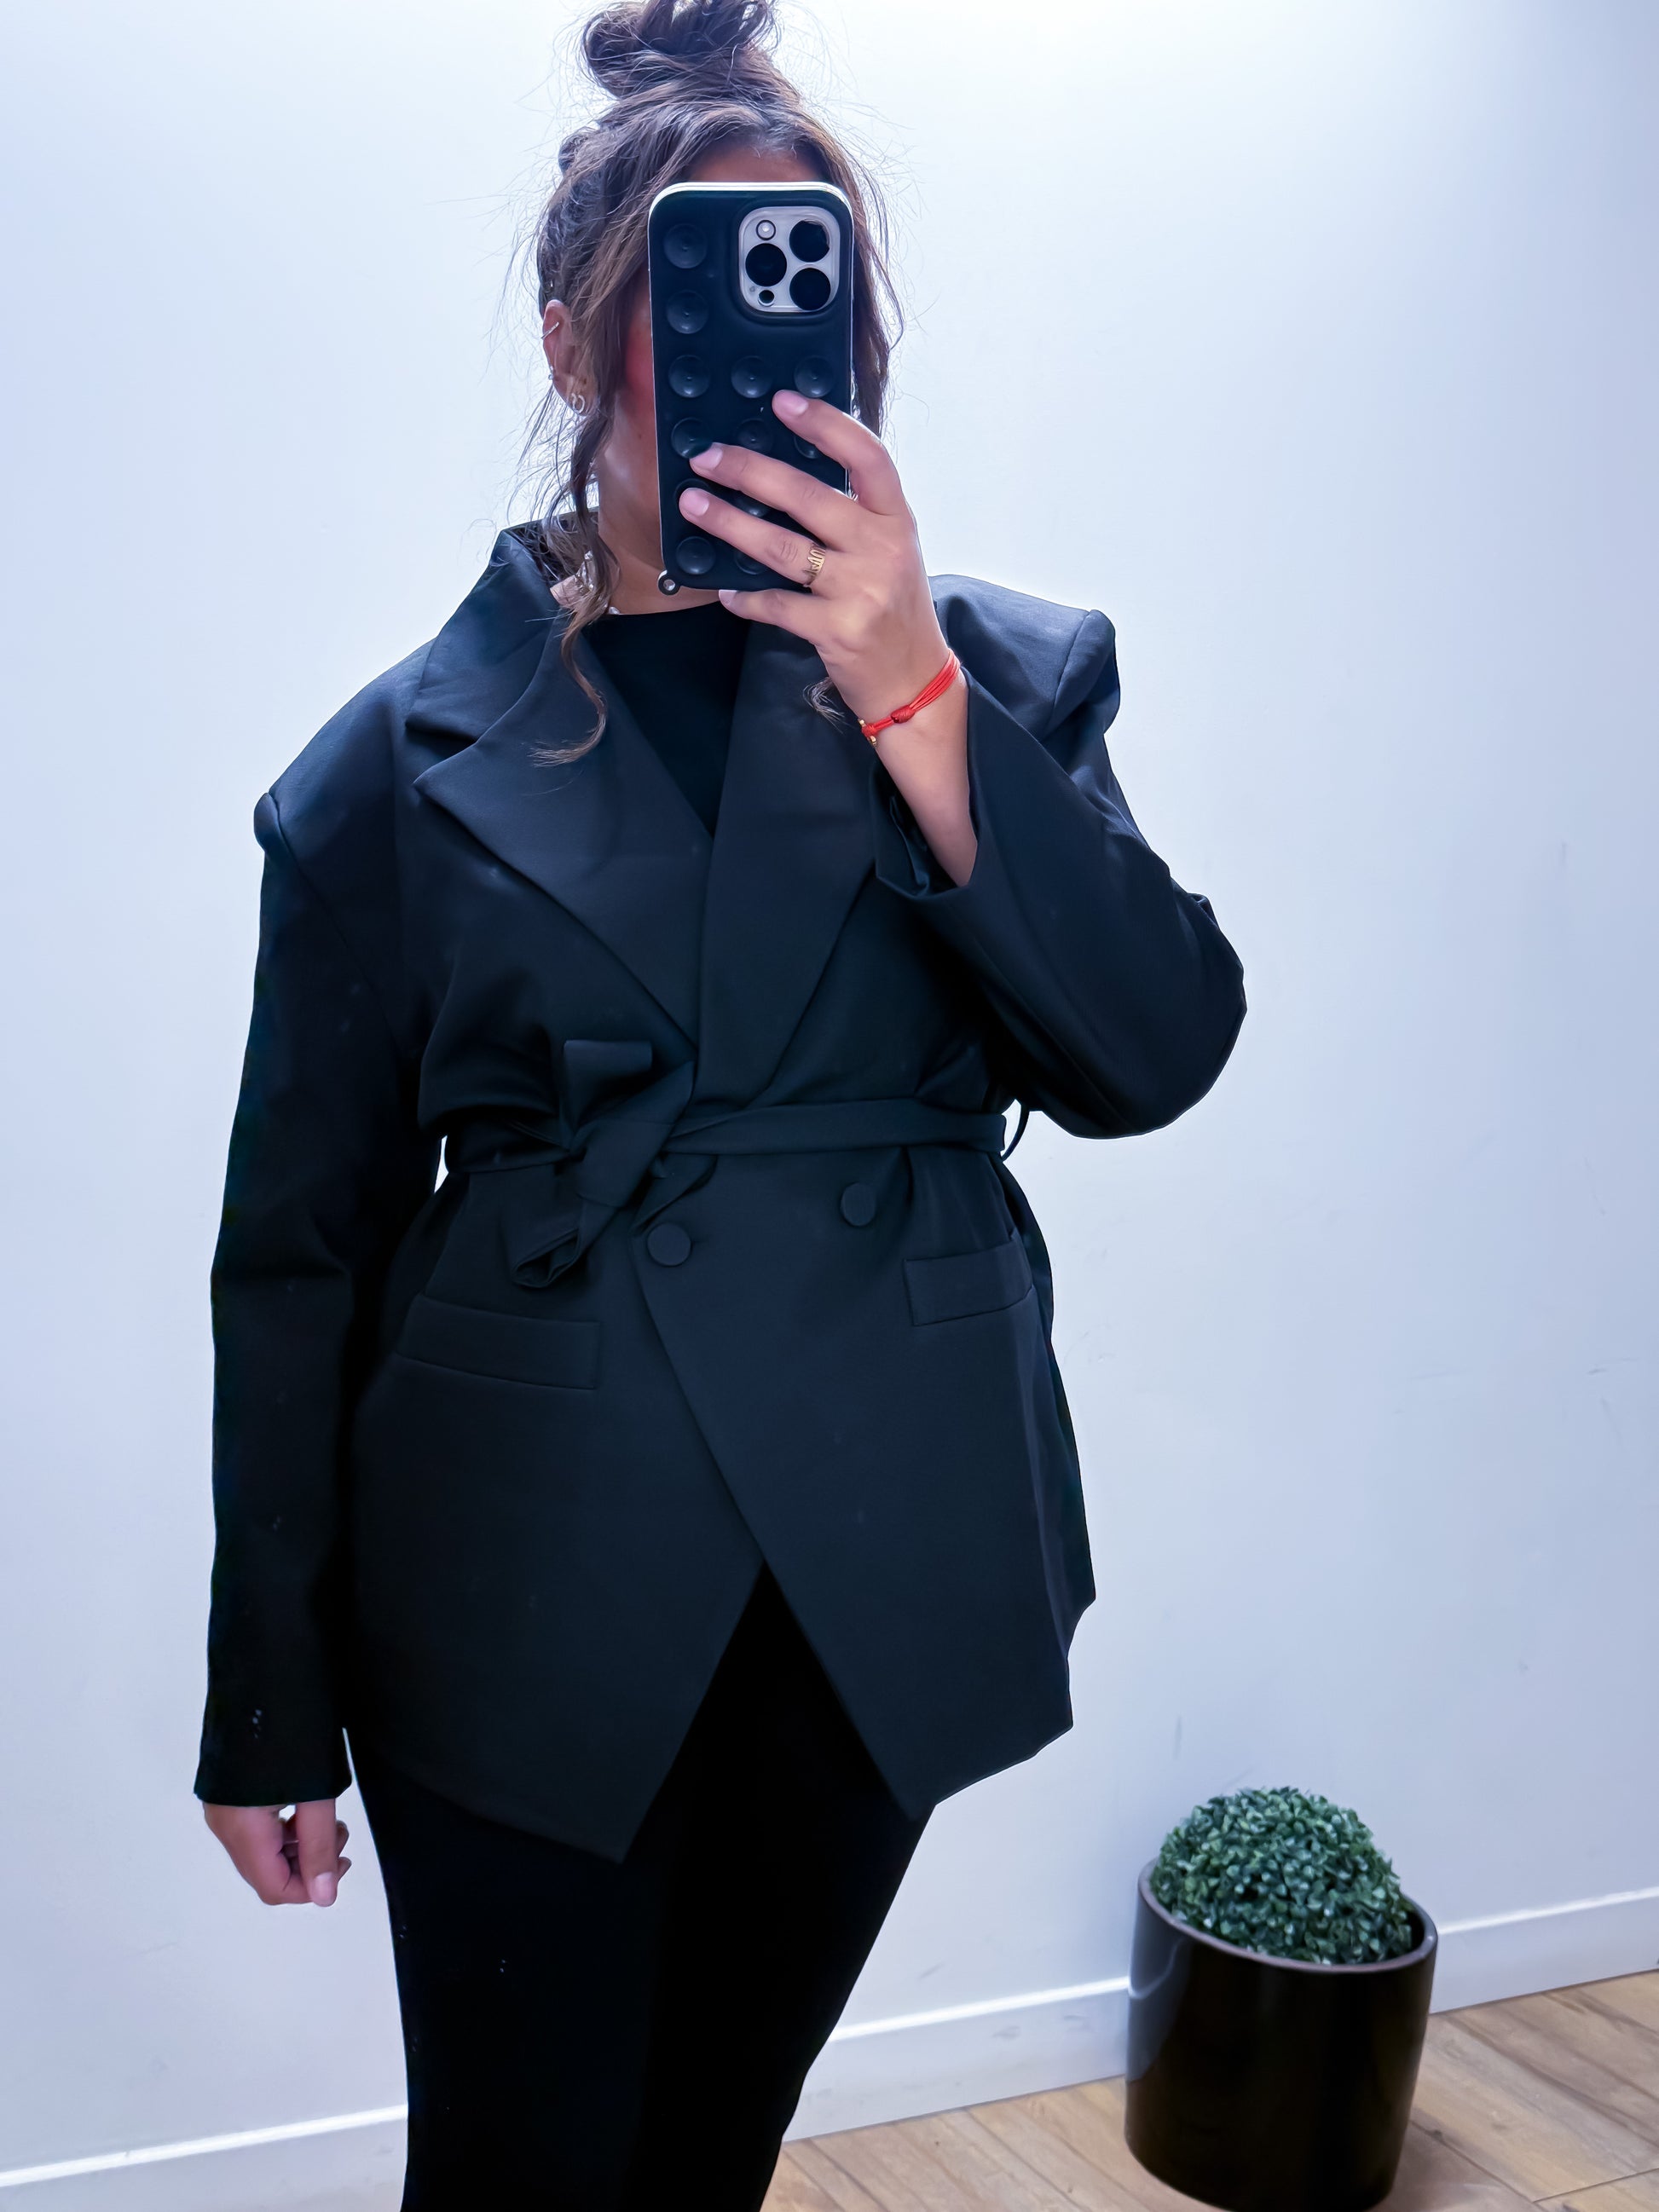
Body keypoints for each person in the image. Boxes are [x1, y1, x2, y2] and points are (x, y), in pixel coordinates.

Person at [194, 2, 1246, 2204]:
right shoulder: (394, 762)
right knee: (518, 2171)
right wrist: (266, 1691)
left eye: (812, 297)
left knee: (709, 2151)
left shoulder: (999, 677)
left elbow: (1150, 1052)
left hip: (884, 1540)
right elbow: (296, 1254)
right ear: (575, 345)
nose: (766, 349)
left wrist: (913, 690)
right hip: (523, 1562)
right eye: (697, 293)